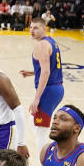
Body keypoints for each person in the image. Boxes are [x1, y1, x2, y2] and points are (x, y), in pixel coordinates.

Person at [21, 19, 64, 154]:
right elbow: (49, 67)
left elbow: (46, 72)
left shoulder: (41, 45)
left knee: (40, 131)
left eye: (36, 28)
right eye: (31, 27)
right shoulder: (52, 42)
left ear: (44, 29)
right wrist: (33, 72)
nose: (32, 30)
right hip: (57, 88)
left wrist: (36, 98)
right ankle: (53, 152)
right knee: (34, 122)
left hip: (48, 91)